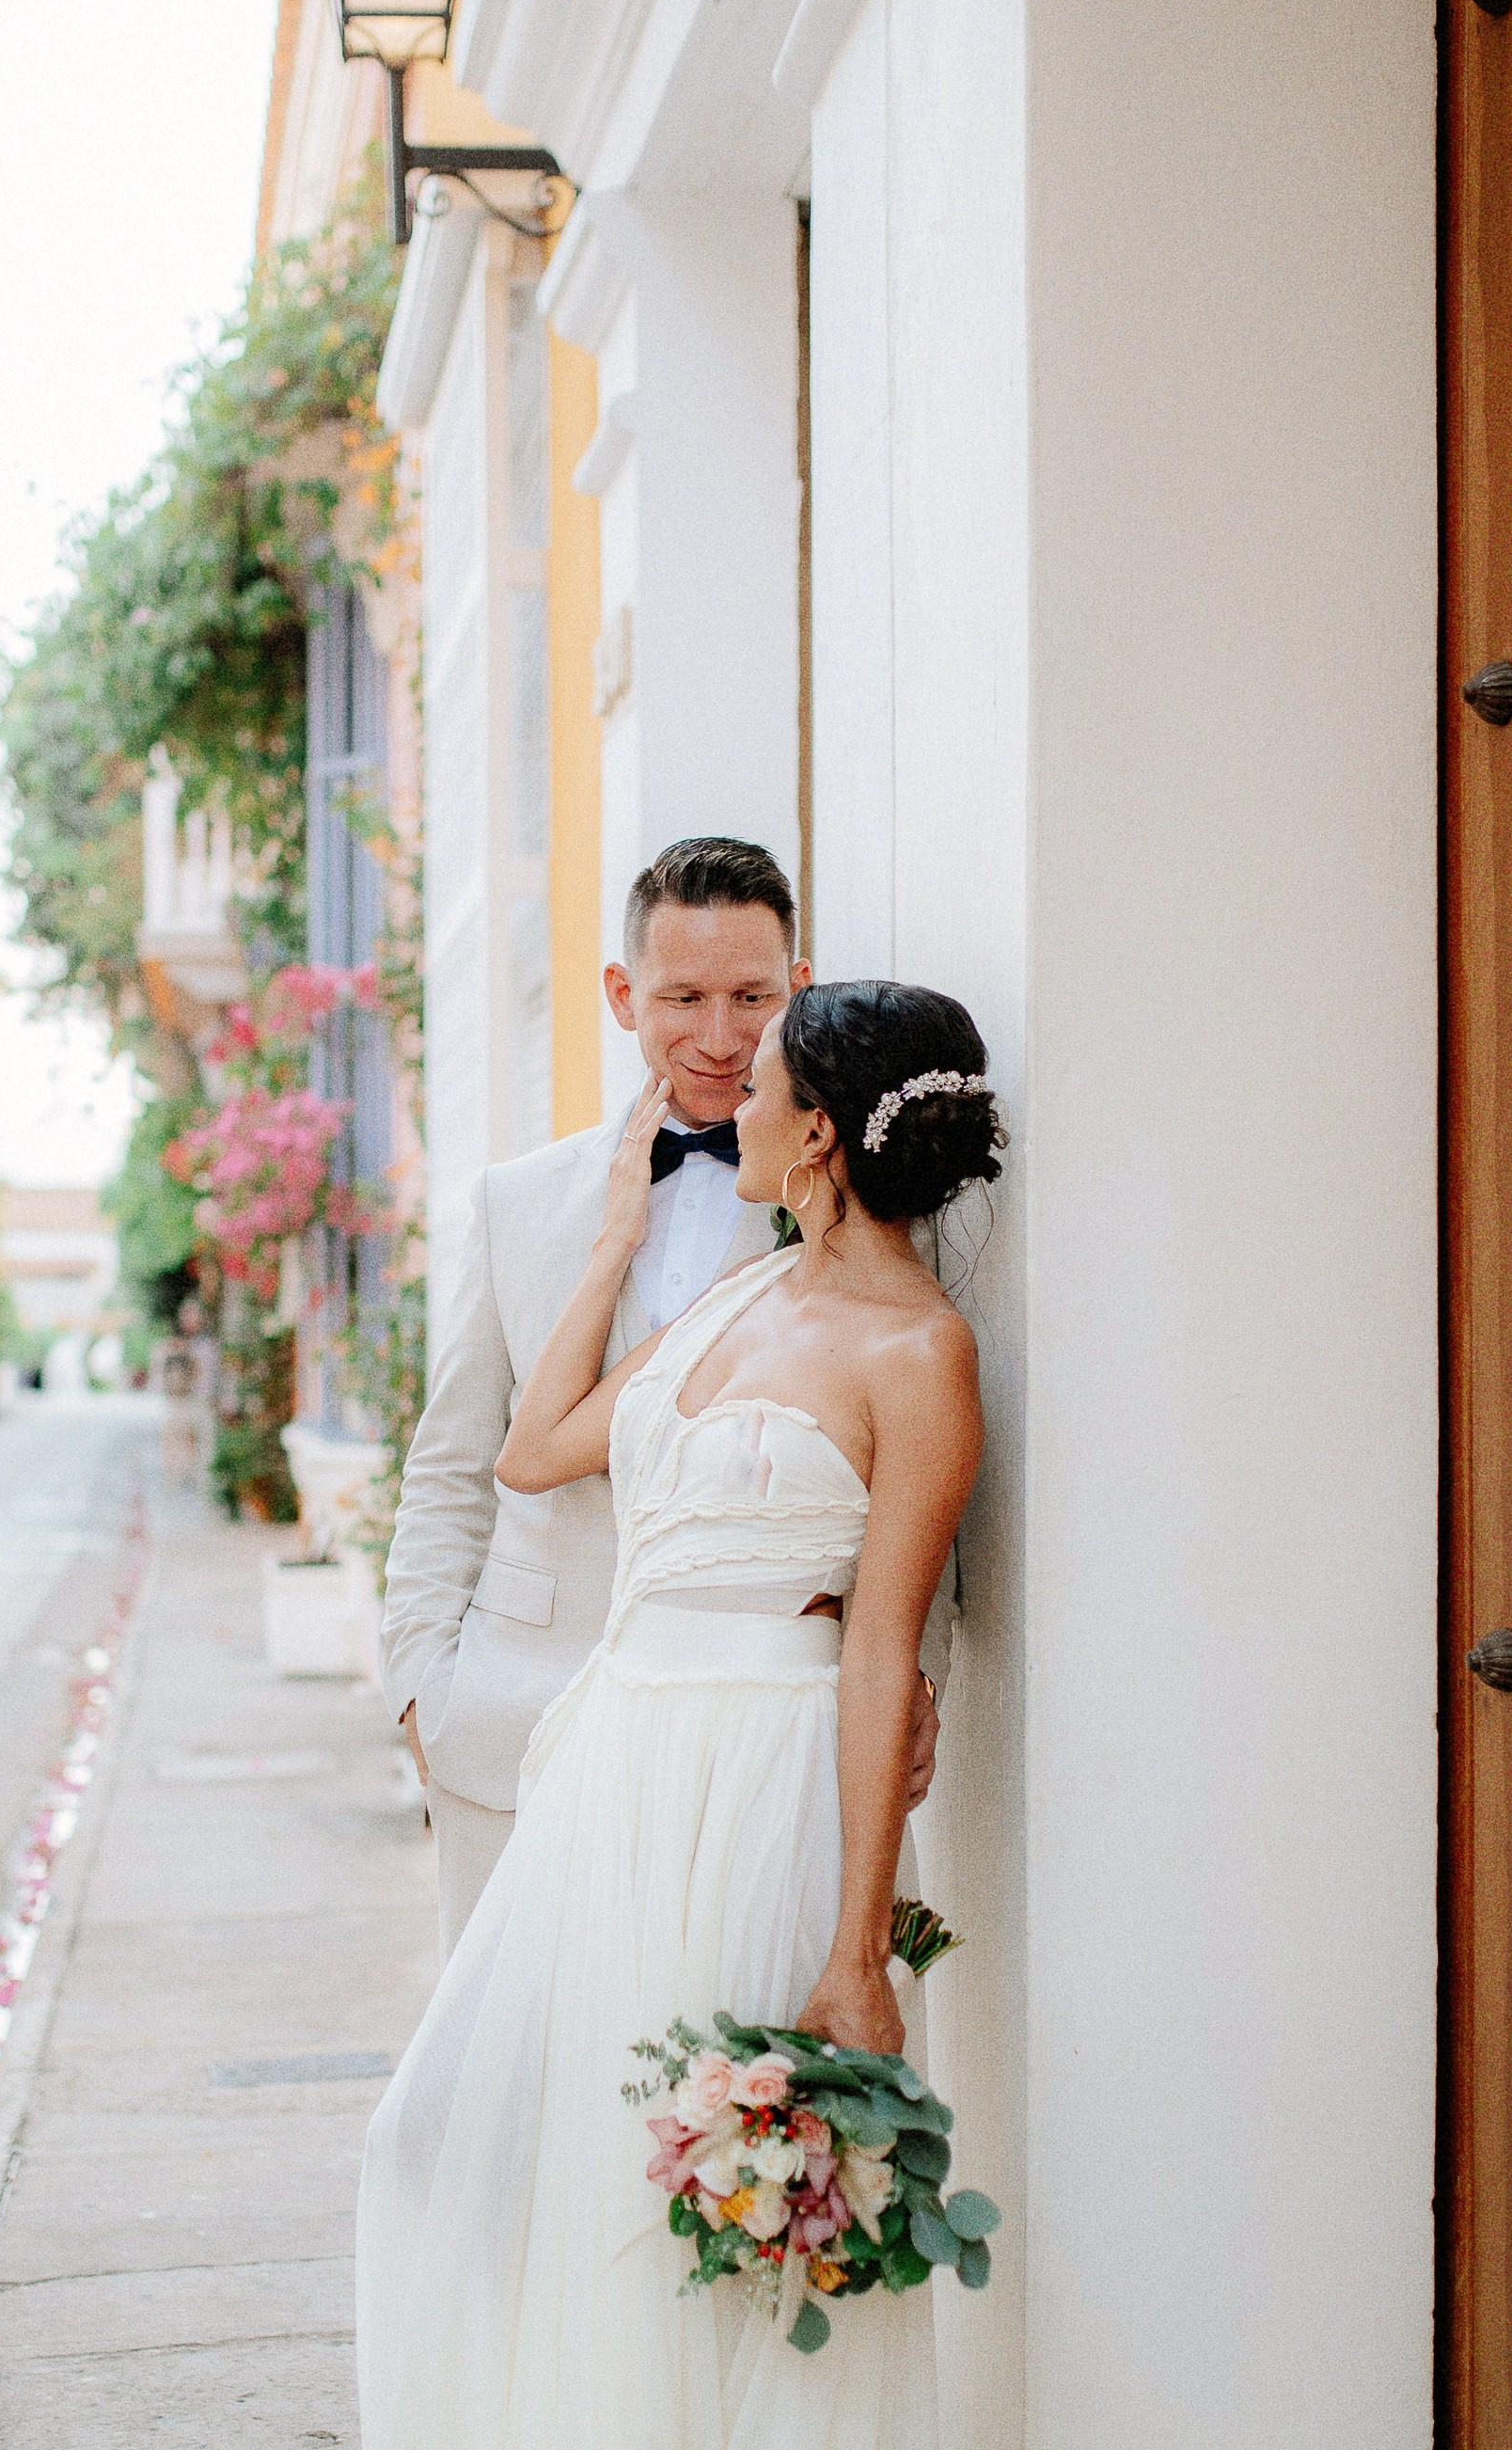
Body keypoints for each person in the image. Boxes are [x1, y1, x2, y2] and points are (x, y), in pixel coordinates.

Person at [355, 980, 1001, 2448]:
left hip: (763, 1782)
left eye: (762, 1080)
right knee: (494, 2154)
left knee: (718, 2208)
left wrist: (854, 1954)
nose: (733, 1099)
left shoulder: (922, 1357)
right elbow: (534, 1450)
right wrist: (609, 1243)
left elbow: (880, 1650)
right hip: (613, 1764)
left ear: (820, 1135)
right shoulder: (734, 1292)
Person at [381, 837, 948, 1955]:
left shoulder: (852, 1214)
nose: (719, 1036)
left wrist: (915, 1675)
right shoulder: (517, 1202)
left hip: (748, 1747)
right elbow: (451, 1461)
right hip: (513, 1720)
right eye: (682, 997)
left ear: (795, 987)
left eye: (750, 996)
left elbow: (911, 1477)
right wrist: (419, 1685)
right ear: (621, 995)